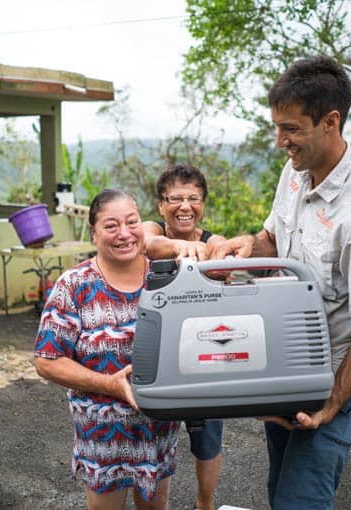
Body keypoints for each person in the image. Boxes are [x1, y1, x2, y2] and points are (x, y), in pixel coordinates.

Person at [212, 56, 351, 510]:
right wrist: (245, 245)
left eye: (291, 129)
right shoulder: (295, 174)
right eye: (277, 128)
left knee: (300, 501)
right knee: (280, 487)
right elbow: (273, 238)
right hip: (290, 366)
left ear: (330, 121)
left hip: (337, 375)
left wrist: (332, 404)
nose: (280, 142)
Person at [34, 189, 179, 510]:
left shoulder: (166, 277)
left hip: (157, 430)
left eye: (132, 222)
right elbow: (47, 360)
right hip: (103, 437)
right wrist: (110, 384)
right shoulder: (75, 285)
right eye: (111, 226)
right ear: (94, 234)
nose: (124, 233)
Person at [143, 164, 226, 510]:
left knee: (208, 438)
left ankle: (204, 504)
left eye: (193, 198)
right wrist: (182, 247)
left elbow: (222, 248)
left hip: (205, 350)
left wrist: (211, 249)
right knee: (157, 437)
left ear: (203, 203)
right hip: (158, 350)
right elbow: (149, 243)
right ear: (161, 205)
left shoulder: (211, 239)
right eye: (175, 199)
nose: (185, 206)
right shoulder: (152, 230)